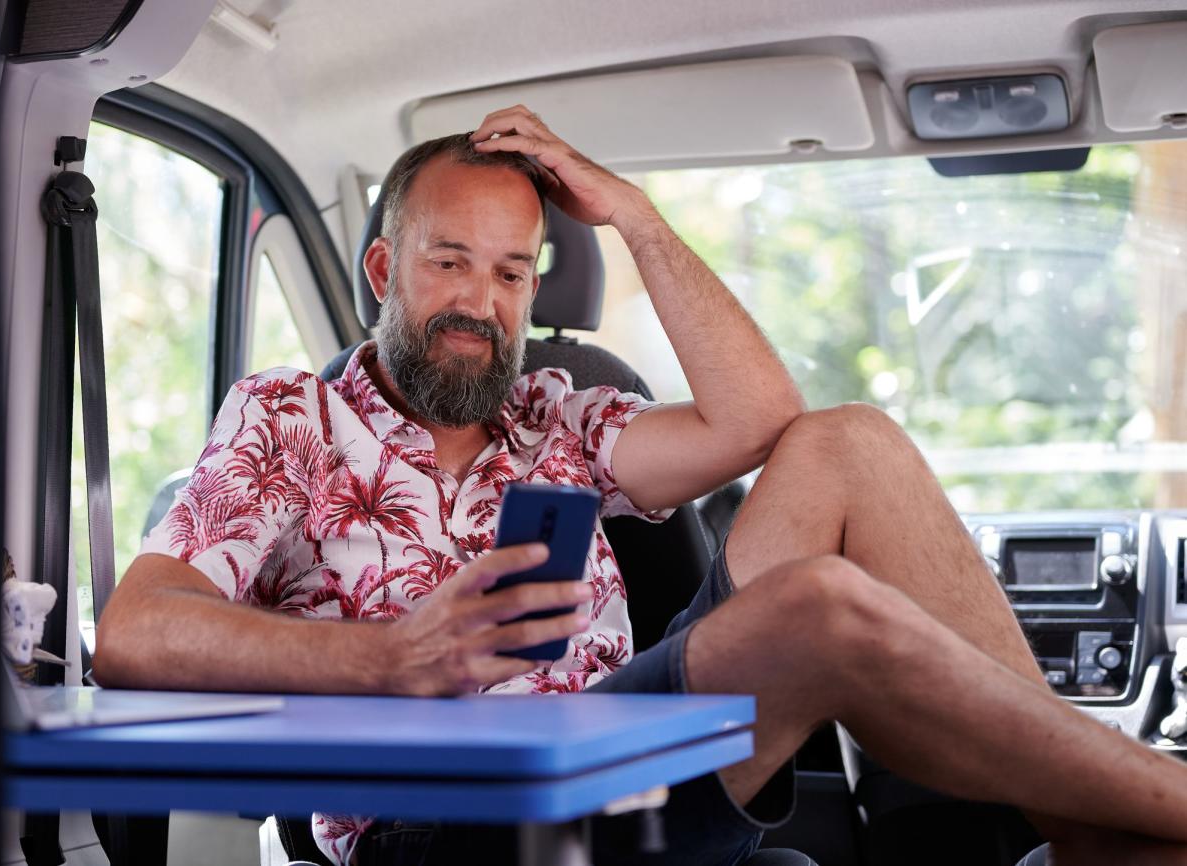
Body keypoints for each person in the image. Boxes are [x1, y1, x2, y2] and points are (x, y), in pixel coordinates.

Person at [95, 106, 1187, 866]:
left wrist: (636, 217)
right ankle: (1144, 808)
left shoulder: (558, 411)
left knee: (849, 439)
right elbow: (135, 630)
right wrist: (393, 654)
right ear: (384, 271)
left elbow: (762, 422)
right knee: (811, 612)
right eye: (449, 261)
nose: (482, 298)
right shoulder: (292, 417)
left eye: (513, 271)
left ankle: (1091, 825)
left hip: (628, 773)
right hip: (443, 829)